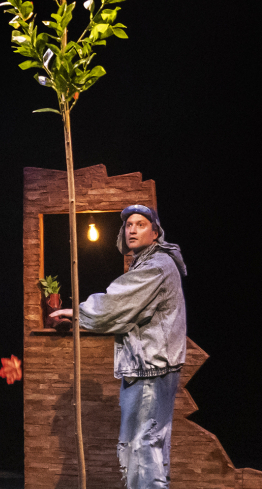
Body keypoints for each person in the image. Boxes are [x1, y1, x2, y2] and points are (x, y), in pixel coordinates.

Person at [50, 205, 187, 489]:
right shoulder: (147, 263)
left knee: (143, 447)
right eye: (128, 225)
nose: (132, 229)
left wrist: (76, 312)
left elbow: (117, 303)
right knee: (146, 447)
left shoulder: (156, 266)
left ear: (155, 232)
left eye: (140, 224)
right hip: (149, 367)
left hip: (151, 369)